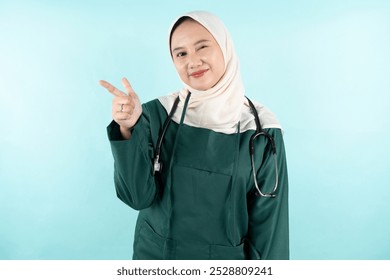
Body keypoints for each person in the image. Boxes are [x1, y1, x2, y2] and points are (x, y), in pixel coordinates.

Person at [99, 10, 289, 260]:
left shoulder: (262, 130)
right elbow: (137, 197)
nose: (193, 61)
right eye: (181, 53)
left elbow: (271, 232)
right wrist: (127, 127)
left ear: (225, 47)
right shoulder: (156, 114)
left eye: (202, 47)